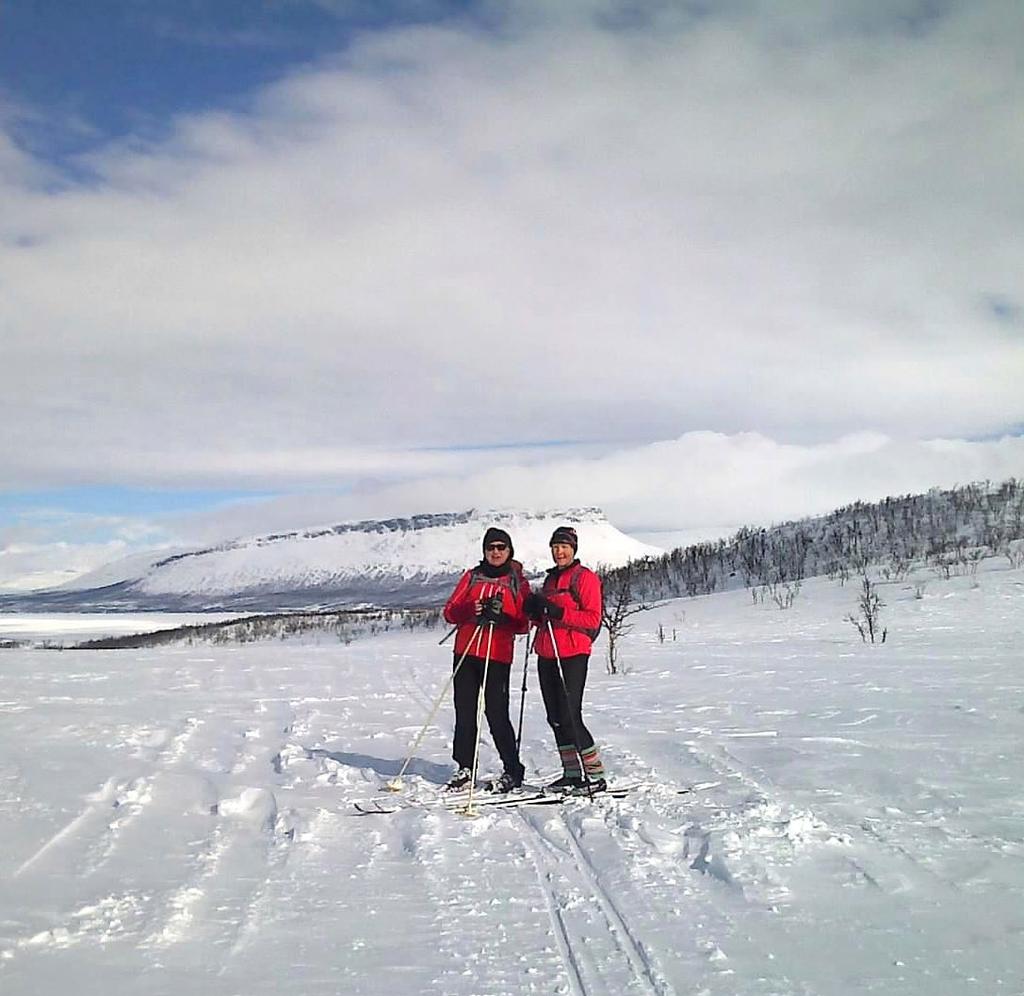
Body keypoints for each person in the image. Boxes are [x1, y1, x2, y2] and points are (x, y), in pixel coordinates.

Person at [442, 527, 530, 793]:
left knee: (496, 713)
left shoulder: (518, 582)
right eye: (491, 547)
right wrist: (472, 609)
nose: (495, 552)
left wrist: (503, 618)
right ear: (484, 550)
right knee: (465, 711)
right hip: (467, 652)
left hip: (497, 655)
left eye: (501, 547)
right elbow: (449, 612)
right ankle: (465, 767)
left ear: (509, 551)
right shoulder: (472, 577)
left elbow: (524, 624)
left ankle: (512, 769)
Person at [524, 525, 607, 793]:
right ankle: (572, 772)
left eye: (564, 547)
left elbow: (593, 618)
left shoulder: (585, 578)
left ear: (573, 549)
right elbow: (546, 617)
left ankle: (595, 776)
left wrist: (557, 611)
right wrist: (535, 611)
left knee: (571, 715)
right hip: (547, 653)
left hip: (572, 653)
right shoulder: (549, 581)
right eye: (555, 547)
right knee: (555, 717)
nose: (559, 551)